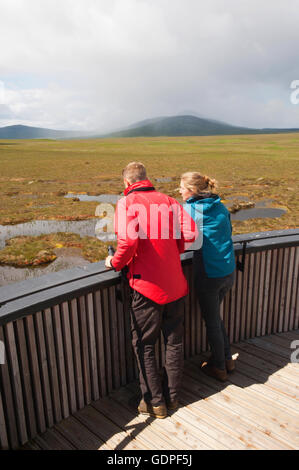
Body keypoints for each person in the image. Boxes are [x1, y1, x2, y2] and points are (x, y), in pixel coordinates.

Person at [105, 162, 197, 418]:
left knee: (144, 345)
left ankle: (155, 403)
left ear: (126, 183)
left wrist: (114, 262)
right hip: (176, 285)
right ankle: (173, 397)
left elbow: (128, 242)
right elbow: (191, 233)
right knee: (174, 341)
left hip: (146, 288)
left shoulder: (127, 203)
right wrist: (171, 250)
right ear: (146, 179)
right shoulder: (169, 201)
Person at [179, 171, 236, 382]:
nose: (180, 192)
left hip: (210, 273)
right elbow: (227, 231)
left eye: (182, 188)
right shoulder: (220, 205)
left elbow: (182, 240)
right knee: (215, 318)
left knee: (211, 321)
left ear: (192, 191)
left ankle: (219, 367)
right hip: (228, 271)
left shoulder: (191, 209)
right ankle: (227, 359)